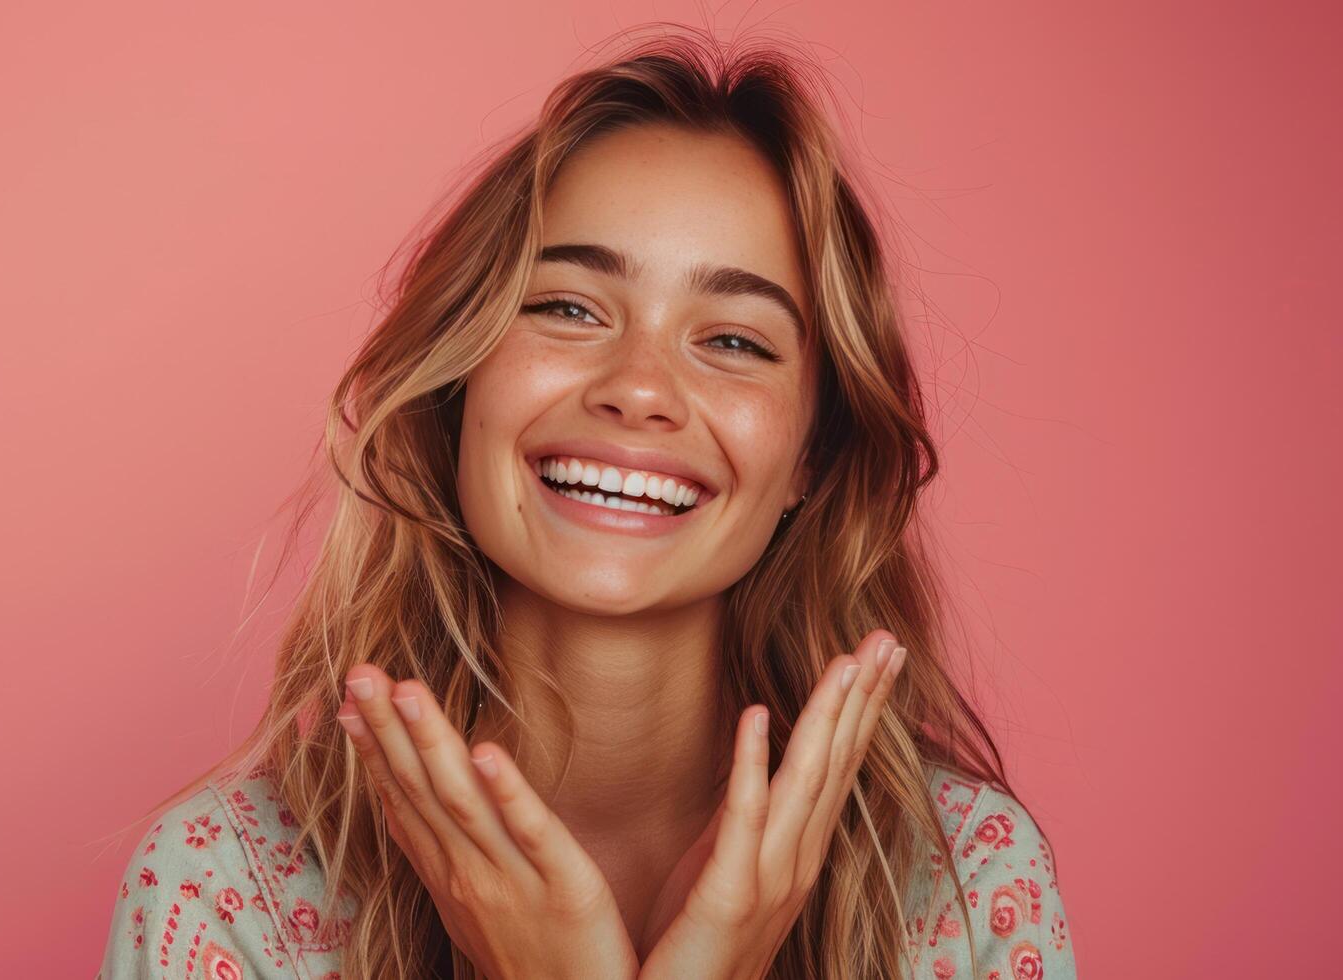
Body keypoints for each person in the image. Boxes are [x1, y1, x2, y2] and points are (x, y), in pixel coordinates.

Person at [96, 26, 1076, 980]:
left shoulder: (965, 883)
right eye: (567, 307)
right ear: (459, 384)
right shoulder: (223, 891)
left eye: (734, 340)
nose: (638, 386)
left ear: (811, 455)